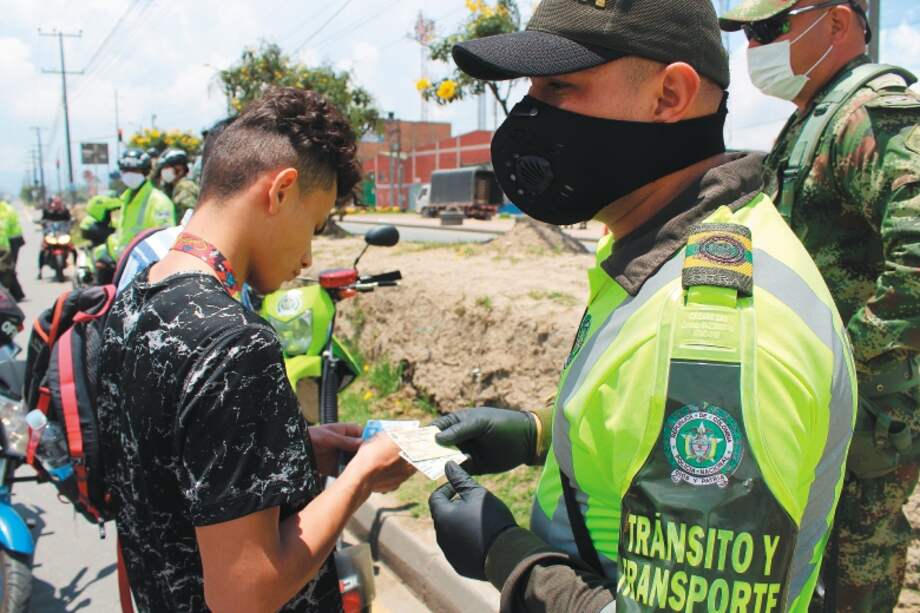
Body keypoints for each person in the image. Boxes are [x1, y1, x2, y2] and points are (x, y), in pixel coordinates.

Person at [425, 0, 858, 611]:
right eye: (530, 89)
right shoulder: (666, 248)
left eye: (559, 86)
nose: (529, 115)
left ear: (670, 95)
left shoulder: (713, 331)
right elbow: (649, 422)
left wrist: (510, 559)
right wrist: (538, 435)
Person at [97, 87, 414, 612]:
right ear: (281, 191)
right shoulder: (235, 343)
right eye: (314, 226)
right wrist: (360, 478)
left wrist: (297, 449)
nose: (307, 257)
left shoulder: (135, 298)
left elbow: (170, 473)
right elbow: (245, 594)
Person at [719, 2, 920, 611]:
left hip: (862, 408)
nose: (754, 48)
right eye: (748, 34)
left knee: (851, 574)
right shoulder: (817, 117)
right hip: (818, 403)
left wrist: (849, 364)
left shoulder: (869, 116)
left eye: (768, 29)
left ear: (836, 23)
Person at [87, 148, 175, 284]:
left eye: (135, 170)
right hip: (122, 261)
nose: (130, 174)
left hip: (143, 267)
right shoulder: (125, 198)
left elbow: (165, 241)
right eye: (126, 170)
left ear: (145, 172)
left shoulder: (159, 201)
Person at [158, 148, 200, 221]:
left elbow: (190, 218)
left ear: (179, 169)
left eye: (167, 167)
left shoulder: (186, 188)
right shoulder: (173, 187)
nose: (164, 171)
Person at [0, 199, 24, 301]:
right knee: (8, 269)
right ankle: (17, 293)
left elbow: (4, 228)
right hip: (9, 242)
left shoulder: (5, 210)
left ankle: (15, 294)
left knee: (7, 268)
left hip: (9, 243)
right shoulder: (6, 208)